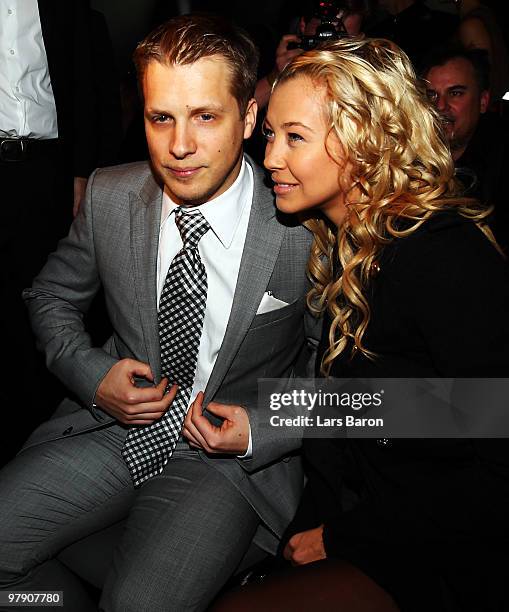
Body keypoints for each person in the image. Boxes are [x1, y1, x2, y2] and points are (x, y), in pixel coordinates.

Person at [0, 14, 316, 612]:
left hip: (224, 464)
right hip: (111, 431)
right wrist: (94, 375)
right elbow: (49, 297)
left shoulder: (303, 228)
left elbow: (341, 383)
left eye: (205, 116)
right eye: (160, 118)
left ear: (249, 117)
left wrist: (261, 426)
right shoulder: (111, 196)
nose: (179, 146)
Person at [212, 36, 509, 611]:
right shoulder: (352, 245)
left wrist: (342, 539)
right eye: (271, 134)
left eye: (294, 137)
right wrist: (259, 419)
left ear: (365, 143)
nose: (270, 157)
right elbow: (397, 402)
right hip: (376, 518)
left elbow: (497, 463)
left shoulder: (440, 257)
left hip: (448, 552)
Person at [422, 44, 509, 250]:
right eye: (432, 95)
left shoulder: (500, 159)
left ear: (483, 101)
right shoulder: (411, 158)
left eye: (456, 93)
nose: (440, 106)